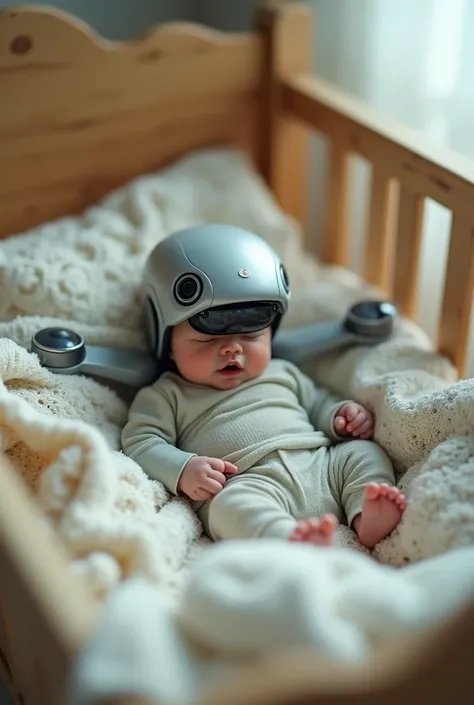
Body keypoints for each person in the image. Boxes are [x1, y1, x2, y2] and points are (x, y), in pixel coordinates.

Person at [122, 225, 406, 548]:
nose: (232, 349)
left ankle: (365, 513)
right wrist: (183, 469)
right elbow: (141, 441)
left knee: (362, 453)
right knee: (229, 508)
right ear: (166, 340)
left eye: (251, 336)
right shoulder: (166, 394)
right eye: (208, 338)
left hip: (322, 467)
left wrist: (341, 416)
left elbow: (317, 404)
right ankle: (287, 538)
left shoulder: (283, 371)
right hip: (248, 484)